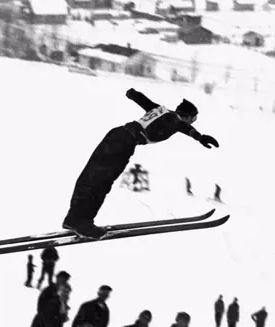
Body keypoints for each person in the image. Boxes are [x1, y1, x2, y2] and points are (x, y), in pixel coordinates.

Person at [63, 89, 219, 239]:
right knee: (100, 181)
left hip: (118, 136)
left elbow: (145, 101)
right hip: (123, 142)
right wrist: (200, 137)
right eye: (194, 118)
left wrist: (133, 94)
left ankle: (75, 218)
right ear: (186, 116)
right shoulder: (175, 120)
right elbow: (186, 128)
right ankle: (81, 221)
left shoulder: (163, 111)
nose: (193, 122)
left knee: (93, 177)